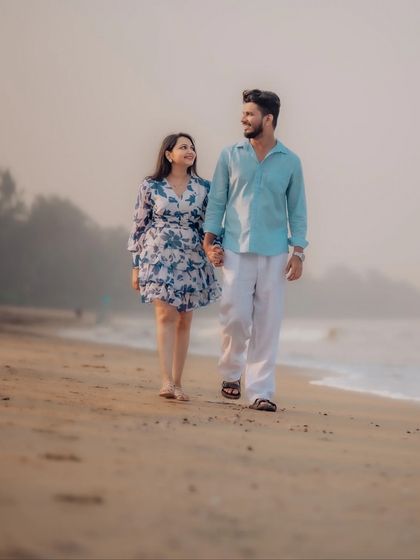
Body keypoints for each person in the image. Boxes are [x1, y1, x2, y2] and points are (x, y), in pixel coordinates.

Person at [203, 89, 308, 412]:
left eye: (250, 114)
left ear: (268, 119)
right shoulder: (230, 154)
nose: (243, 119)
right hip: (235, 246)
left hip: (276, 252)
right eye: (244, 113)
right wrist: (210, 241)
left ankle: (261, 390)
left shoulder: (290, 161)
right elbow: (217, 200)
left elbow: (298, 209)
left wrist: (299, 251)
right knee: (234, 316)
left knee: (268, 322)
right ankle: (232, 373)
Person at [128, 133, 220, 401]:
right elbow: (139, 226)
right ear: (169, 154)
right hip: (157, 255)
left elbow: (211, 225)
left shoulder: (205, 187)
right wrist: (135, 265)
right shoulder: (151, 185)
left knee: (184, 319)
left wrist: (216, 249)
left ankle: (179, 383)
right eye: (183, 147)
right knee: (164, 315)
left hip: (192, 257)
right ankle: (166, 381)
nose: (190, 150)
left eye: (192, 147)